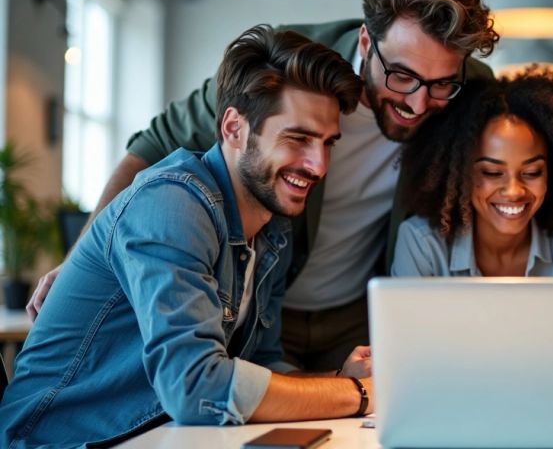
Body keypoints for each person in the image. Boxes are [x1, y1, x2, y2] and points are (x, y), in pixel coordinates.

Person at [28, 0, 500, 372]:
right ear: (364, 42)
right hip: (263, 309)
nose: (418, 104)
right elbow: (152, 145)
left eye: (440, 84)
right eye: (401, 77)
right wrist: (76, 262)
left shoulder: (470, 90)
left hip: (359, 313)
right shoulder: (289, 68)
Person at [0, 25, 375, 447]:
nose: (319, 165)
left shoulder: (274, 229)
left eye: (328, 143)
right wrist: (355, 395)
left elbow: (262, 367)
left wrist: (339, 380)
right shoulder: (172, 205)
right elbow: (195, 388)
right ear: (233, 128)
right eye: (298, 139)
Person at [391, 74, 553, 278]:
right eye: (492, 173)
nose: (514, 191)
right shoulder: (422, 244)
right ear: (460, 174)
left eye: (532, 172)